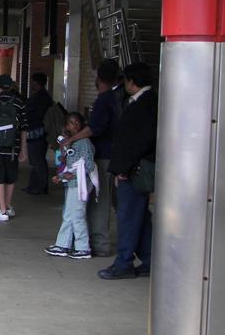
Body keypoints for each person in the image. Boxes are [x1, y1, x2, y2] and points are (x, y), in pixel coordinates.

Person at [99, 62, 157, 280]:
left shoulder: (144, 104)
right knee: (140, 216)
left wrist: (122, 169)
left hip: (134, 171)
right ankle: (151, 260)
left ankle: (123, 263)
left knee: (128, 216)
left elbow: (138, 142)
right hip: (136, 168)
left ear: (132, 82)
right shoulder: (147, 101)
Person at [60, 59, 122, 257]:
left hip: (103, 156)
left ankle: (99, 243)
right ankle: (94, 241)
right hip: (109, 154)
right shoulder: (116, 98)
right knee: (98, 199)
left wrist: (71, 140)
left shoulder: (105, 100)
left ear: (98, 78)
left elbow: (94, 128)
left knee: (99, 200)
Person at [45, 112, 97, 259]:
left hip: (80, 184)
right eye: (71, 123)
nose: (74, 126)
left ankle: (83, 247)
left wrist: (71, 175)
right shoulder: (71, 142)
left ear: (82, 125)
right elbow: (67, 163)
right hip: (72, 183)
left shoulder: (84, 142)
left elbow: (88, 164)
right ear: (66, 126)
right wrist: (61, 175)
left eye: (77, 123)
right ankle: (62, 245)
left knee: (77, 215)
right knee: (68, 214)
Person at [0, 74, 28, 222]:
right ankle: (7, 207)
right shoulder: (20, 103)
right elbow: (24, 128)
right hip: (13, 147)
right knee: (10, 178)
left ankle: (2, 211)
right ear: (12, 86)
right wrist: (23, 150)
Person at [23, 72, 53, 195]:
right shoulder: (42, 96)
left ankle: (41, 186)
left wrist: (27, 116)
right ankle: (33, 185)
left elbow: (38, 114)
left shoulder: (42, 98)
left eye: (33, 83)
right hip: (36, 132)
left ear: (37, 83)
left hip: (38, 132)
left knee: (37, 160)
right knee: (36, 160)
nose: (32, 85)